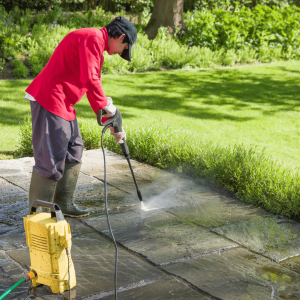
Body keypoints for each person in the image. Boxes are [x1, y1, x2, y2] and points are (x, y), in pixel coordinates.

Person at [25, 16, 137, 217]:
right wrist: (107, 106)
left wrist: (110, 121)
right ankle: (39, 216)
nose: (121, 52)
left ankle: (63, 205)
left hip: (63, 102)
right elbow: (91, 80)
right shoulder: (92, 38)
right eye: (124, 47)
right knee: (50, 158)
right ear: (119, 37)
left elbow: (90, 85)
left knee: (74, 148)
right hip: (49, 98)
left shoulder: (96, 45)